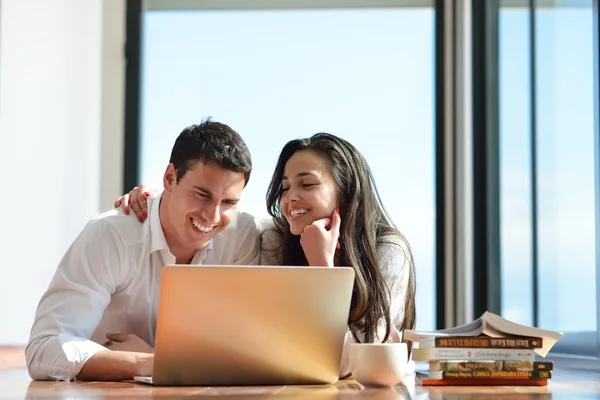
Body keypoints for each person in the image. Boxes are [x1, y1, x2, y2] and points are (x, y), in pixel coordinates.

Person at [117, 133, 416, 378]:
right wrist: (160, 198)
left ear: (347, 192)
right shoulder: (276, 239)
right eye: (285, 187)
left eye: (307, 184)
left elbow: (352, 365)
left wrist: (322, 270)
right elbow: (255, 351)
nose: (290, 198)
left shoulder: (387, 251)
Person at [26, 119, 261, 381]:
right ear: (170, 178)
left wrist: (158, 357)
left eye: (228, 202)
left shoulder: (242, 237)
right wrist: (146, 363)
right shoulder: (111, 236)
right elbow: (42, 351)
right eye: (202, 195)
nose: (213, 216)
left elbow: (245, 352)